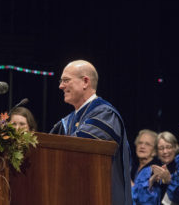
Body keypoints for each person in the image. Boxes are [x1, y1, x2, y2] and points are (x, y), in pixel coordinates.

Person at [50, 60, 132, 205]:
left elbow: (80, 153)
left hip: (102, 198)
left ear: (85, 82)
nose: (61, 86)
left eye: (66, 80)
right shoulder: (66, 122)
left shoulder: (105, 114)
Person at [150, 131, 179, 205]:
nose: (165, 151)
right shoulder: (153, 168)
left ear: (175, 148)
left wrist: (169, 180)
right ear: (157, 151)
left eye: (168, 147)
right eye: (161, 148)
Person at [131, 129, 160, 205]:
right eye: (140, 143)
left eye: (147, 144)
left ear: (154, 150)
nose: (142, 146)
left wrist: (131, 186)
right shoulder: (133, 168)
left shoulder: (154, 170)